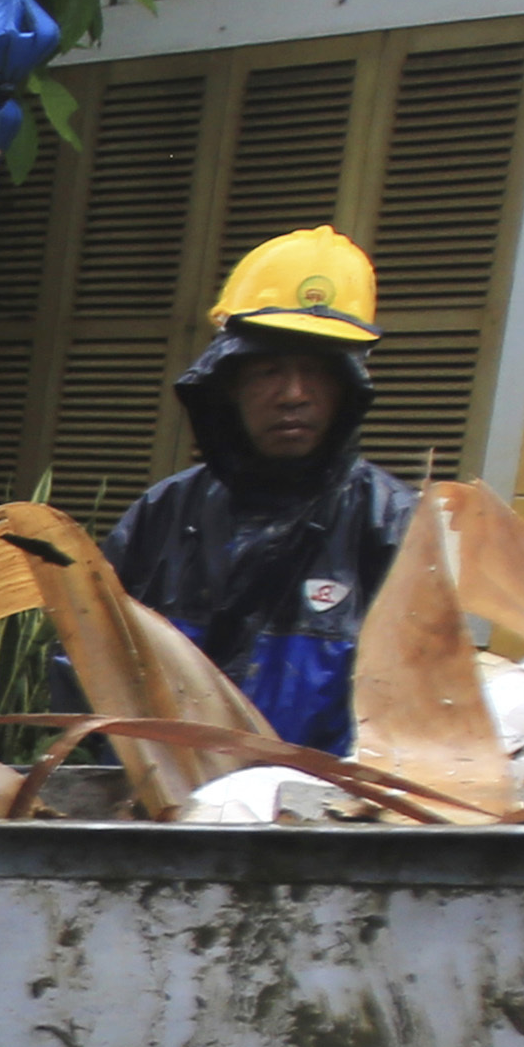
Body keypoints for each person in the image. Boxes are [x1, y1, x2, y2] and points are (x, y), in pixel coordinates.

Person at [106, 230, 411, 752]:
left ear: (350, 387)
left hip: (327, 825)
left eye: (316, 371)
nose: (293, 395)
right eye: (269, 370)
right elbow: (91, 665)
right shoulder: (161, 516)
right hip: (165, 815)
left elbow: (425, 709)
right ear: (227, 382)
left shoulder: (394, 527)